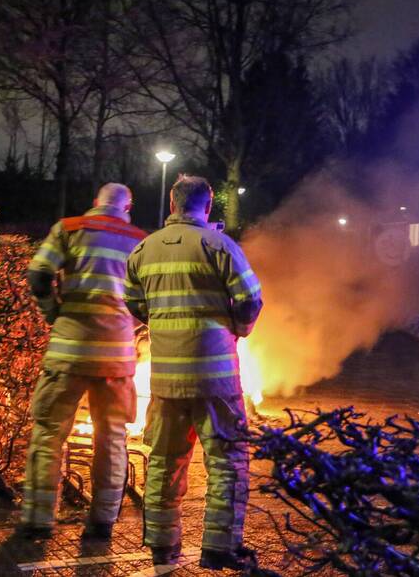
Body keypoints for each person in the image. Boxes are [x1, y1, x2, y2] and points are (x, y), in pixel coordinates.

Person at [124, 175, 263, 570]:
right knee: (226, 462)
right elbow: (250, 299)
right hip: (215, 377)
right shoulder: (219, 245)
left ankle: (162, 546)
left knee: (164, 462)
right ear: (208, 206)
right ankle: (218, 549)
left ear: (172, 204)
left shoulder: (144, 249)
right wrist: (238, 328)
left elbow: (133, 302)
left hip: (166, 379)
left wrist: (163, 323)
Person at [20, 183, 147, 540]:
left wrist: (53, 314)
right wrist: (129, 325)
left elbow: (39, 275)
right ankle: (103, 522)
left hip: (68, 353)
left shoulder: (70, 228)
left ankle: (38, 520)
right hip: (117, 361)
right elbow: (148, 299)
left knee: (48, 434)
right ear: (128, 208)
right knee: (112, 438)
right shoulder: (140, 239)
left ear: (95, 203)